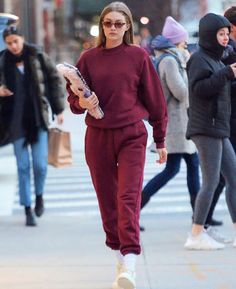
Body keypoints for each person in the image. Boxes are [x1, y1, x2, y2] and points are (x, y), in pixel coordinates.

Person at [66, 2, 168, 289]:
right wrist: (81, 102)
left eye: (118, 24)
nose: (112, 28)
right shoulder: (87, 58)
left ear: (127, 27)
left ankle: (131, 261)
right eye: (108, 23)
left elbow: (155, 100)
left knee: (128, 197)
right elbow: (73, 102)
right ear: (102, 25)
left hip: (132, 135)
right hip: (97, 136)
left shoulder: (138, 56)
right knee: (107, 200)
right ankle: (119, 256)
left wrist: (160, 139)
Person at [0, 26, 65, 226]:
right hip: (14, 122)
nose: (12, 46)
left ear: (22, 39)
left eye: (15, 41)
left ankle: (39, 196)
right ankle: (27, 208)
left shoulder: (37, 55)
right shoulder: (2, 61)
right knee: (22, 166)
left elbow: (54, 80)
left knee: (40, 165)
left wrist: (59, 109)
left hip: (38, 118)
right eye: (9, 43)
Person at [140, 16, 200, 230]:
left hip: (180, 124)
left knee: (187, 167)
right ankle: (200, 218)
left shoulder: (172, 58)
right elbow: (182, 92)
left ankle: (200, 217)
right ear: (177, 41)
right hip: (176, 126)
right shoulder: (169, 60)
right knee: (178, 169)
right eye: (183, 40)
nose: (186, 43)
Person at [184, 13, 236, 250]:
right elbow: (200, 89)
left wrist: (227, 74)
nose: (225, 38)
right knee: (211, 181)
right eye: (221, 34)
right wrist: (227, 73)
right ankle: (195, 234)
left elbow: (219, 86)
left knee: (233, 177)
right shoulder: (199, 59)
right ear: (209, 35)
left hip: (218, 128)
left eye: (227, 34)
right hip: (206, 128)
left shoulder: (216, 59)